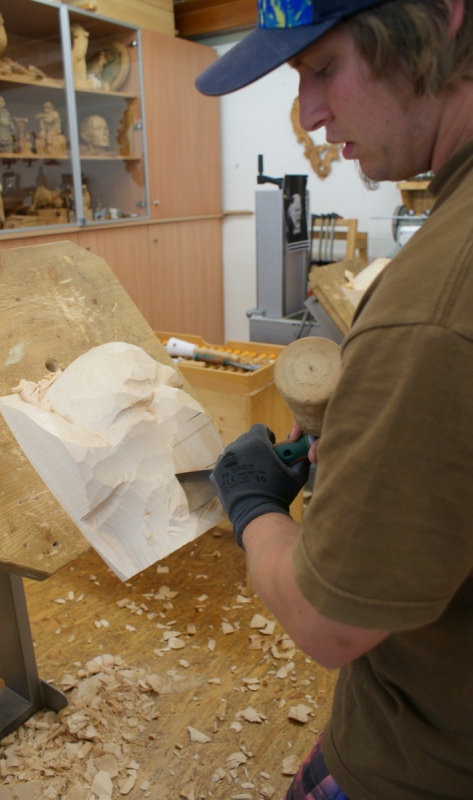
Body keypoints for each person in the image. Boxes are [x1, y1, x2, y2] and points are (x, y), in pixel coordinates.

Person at [196, 1, 473, 798]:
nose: (309, 114)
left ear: (441, 16)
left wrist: (253, 505)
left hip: (423, 763)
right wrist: (376, 435)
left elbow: (331, 624)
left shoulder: (431, 307)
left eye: (323, 68)